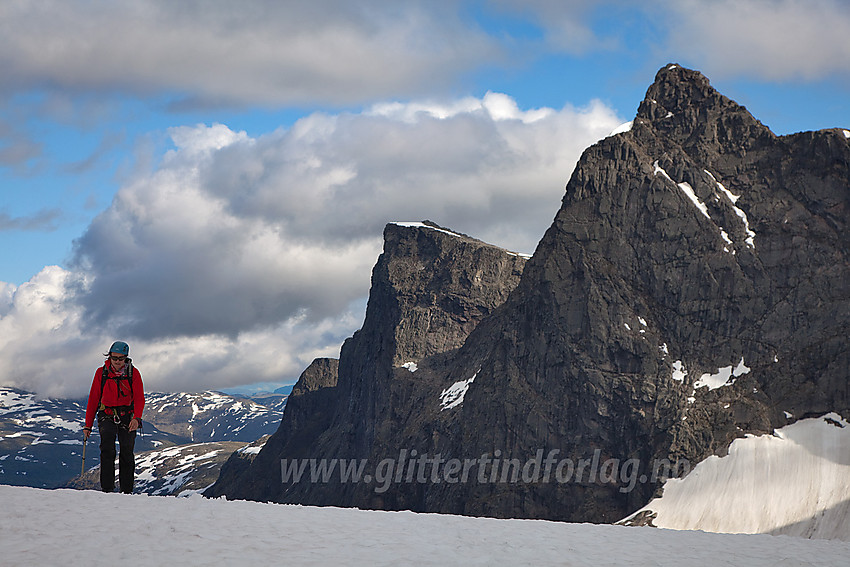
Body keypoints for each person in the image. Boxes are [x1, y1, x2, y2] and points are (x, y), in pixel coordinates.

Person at [83, 341, 145, 493]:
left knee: (127, 452)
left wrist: (136, 418)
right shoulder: (101, 373)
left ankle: (126, 491)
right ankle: (107, 489)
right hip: (107, 415)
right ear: (109, 357)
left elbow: (139, 398)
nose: (117, 362)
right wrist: (87, 425)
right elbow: (93, 399)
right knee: (107, 450)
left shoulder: (133, 373)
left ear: (126, 358)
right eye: (114, 358)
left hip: (128, 416)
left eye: (121, 359)